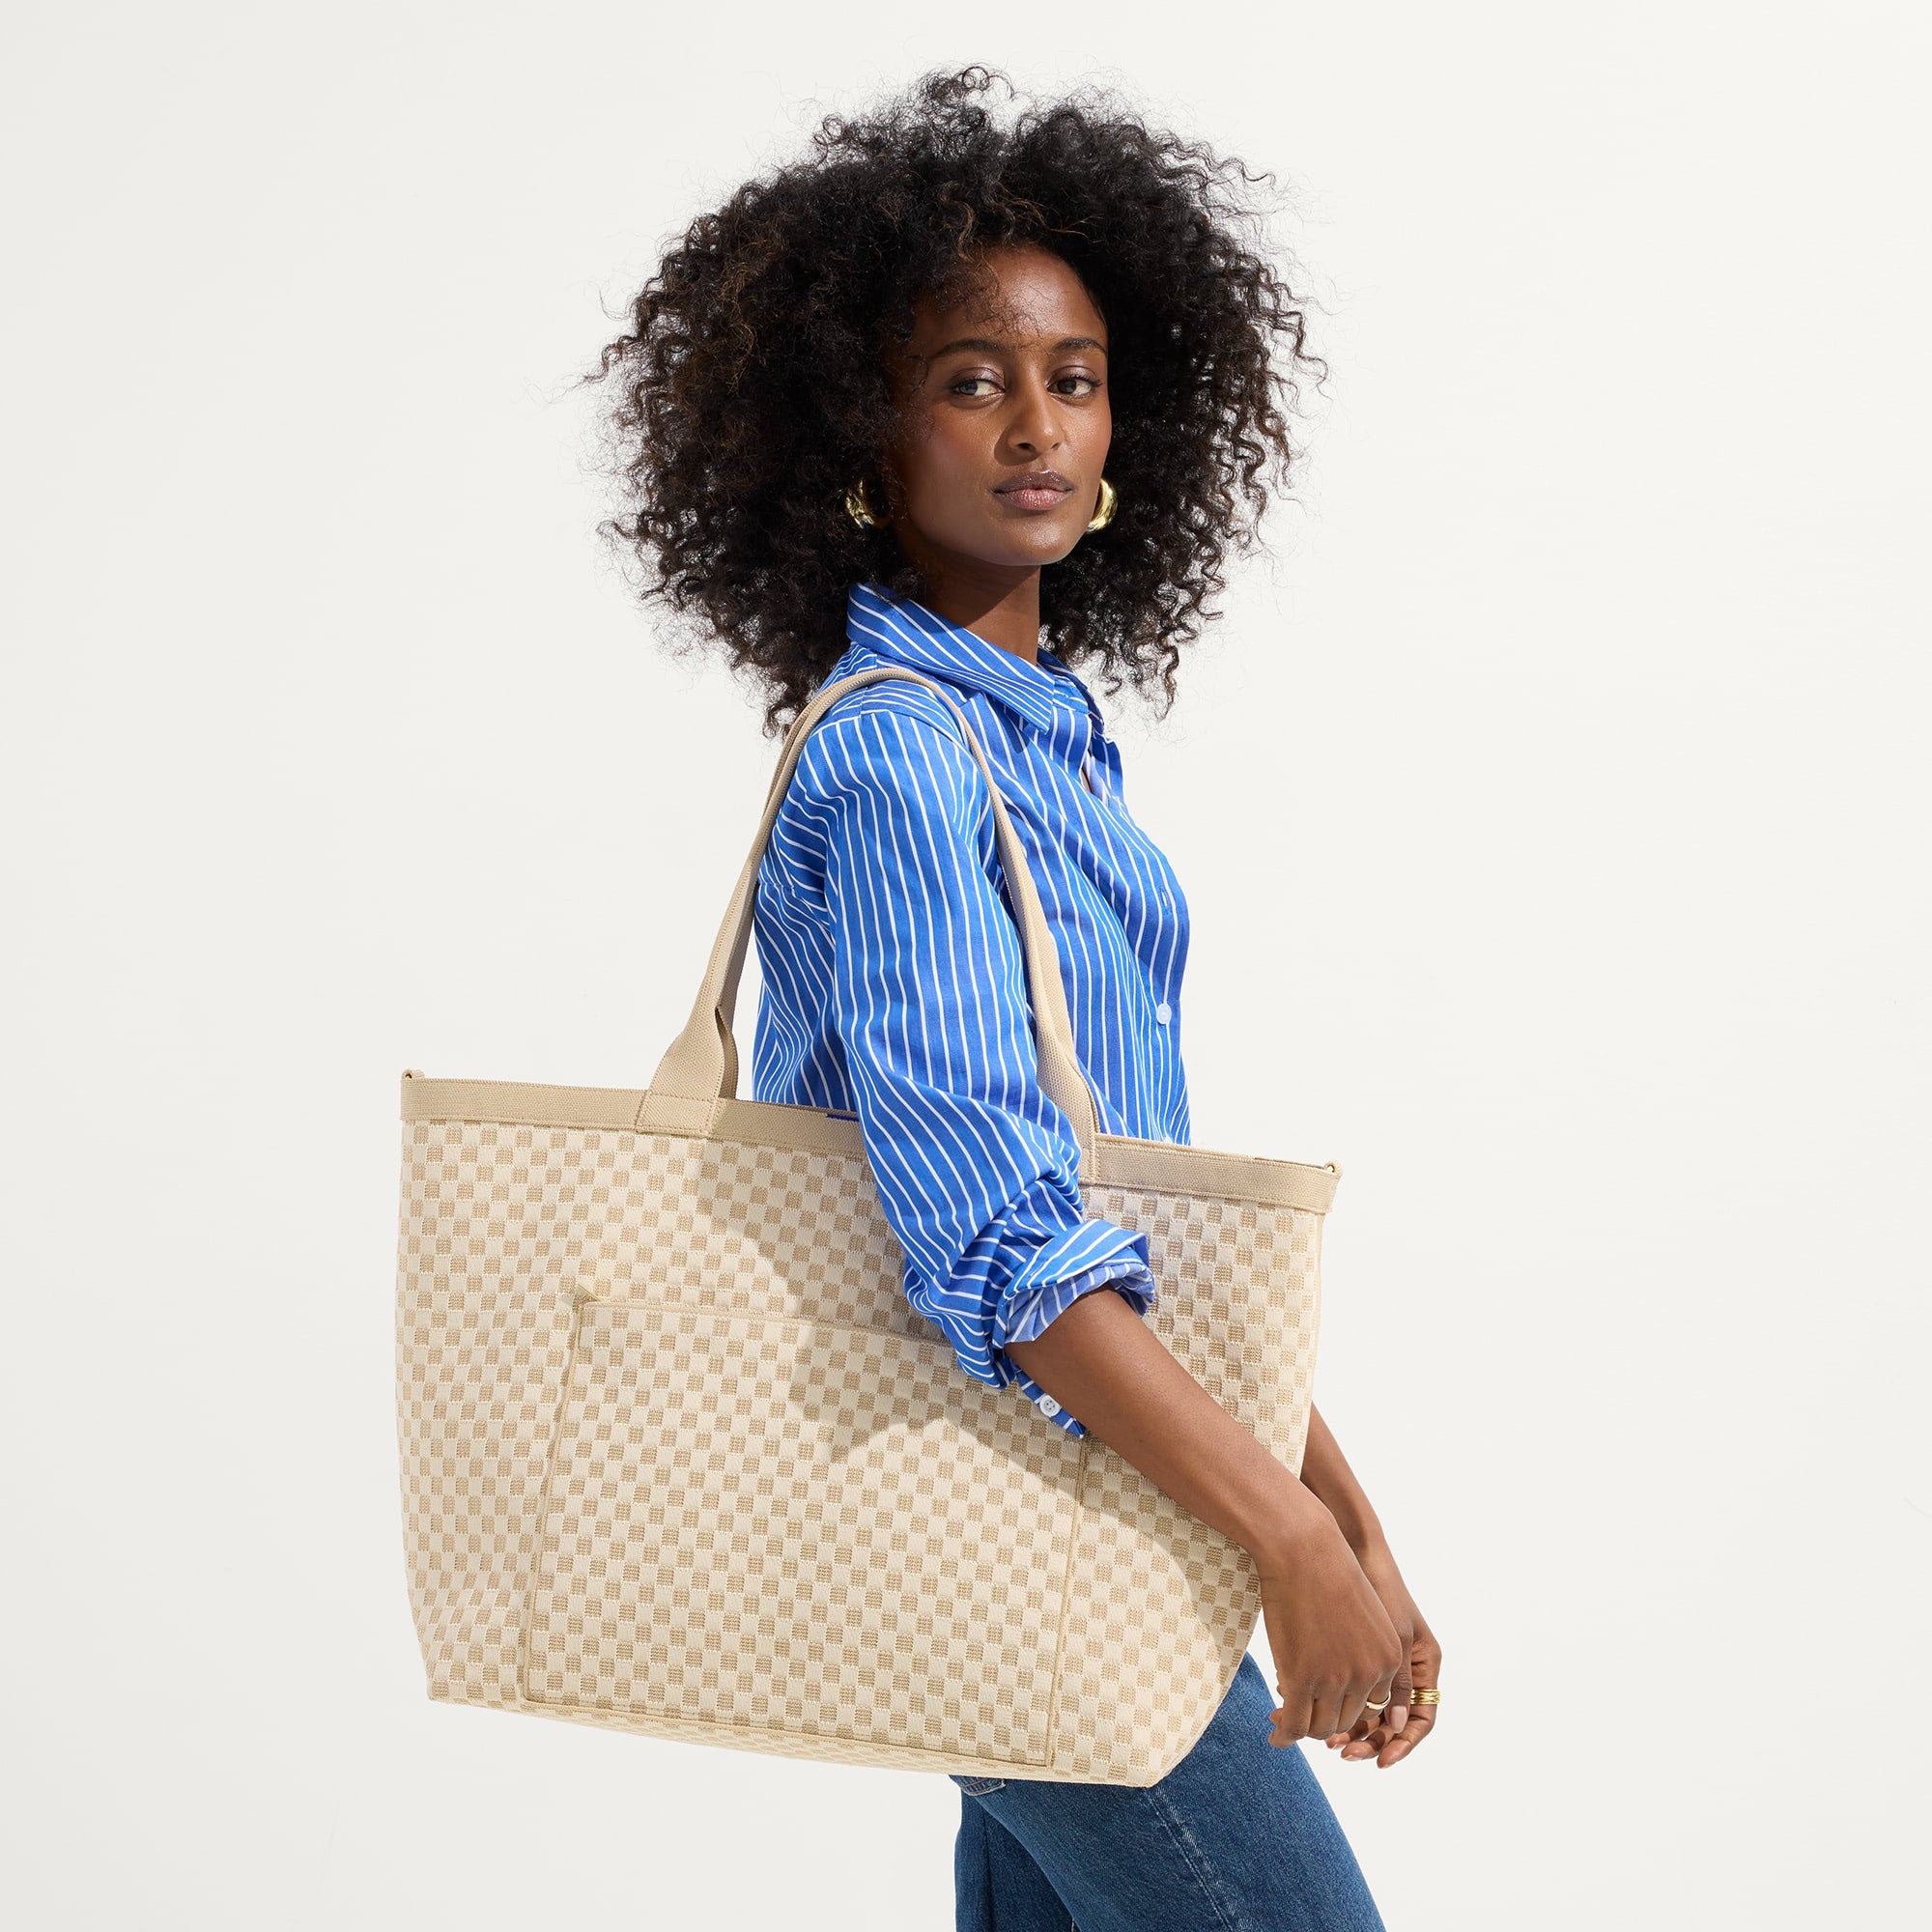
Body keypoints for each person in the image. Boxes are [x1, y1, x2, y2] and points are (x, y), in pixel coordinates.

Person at [582, 64, 1442, 1932]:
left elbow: (1118, 1208)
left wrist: (1346, 1514)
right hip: (1015, 1525)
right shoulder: (905, 760)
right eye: (972, 381)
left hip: (1096, 1513)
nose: (1037, 426)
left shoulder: (1046, 748)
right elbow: (1001, 1241)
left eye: (1075, 377)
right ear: (863, 432)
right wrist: (1288, 1532)